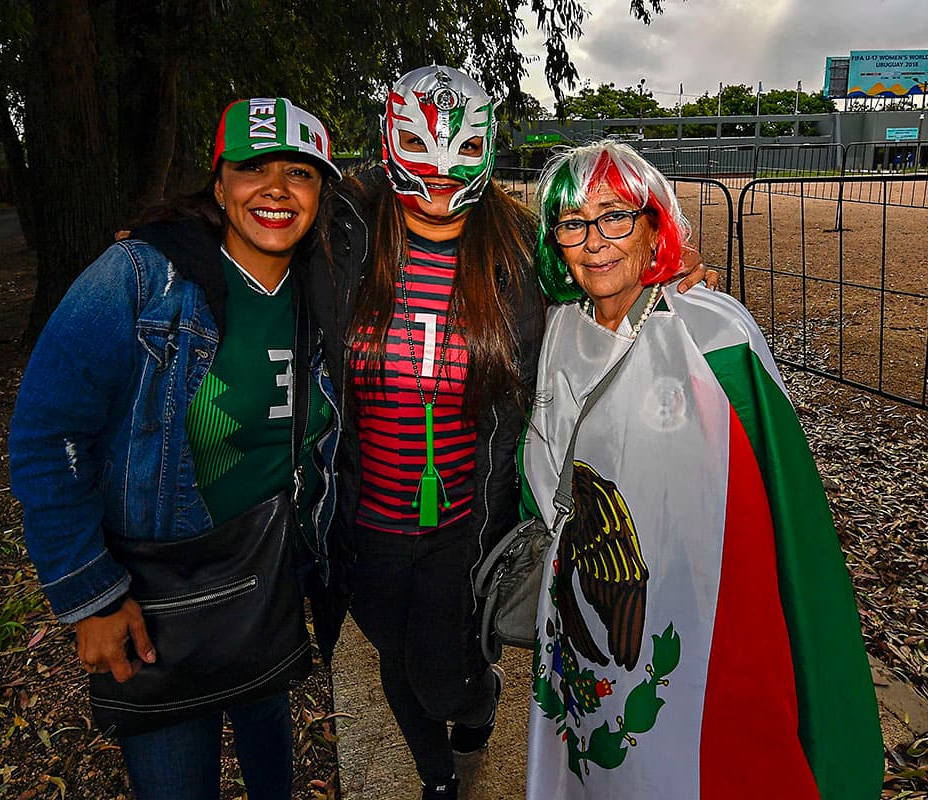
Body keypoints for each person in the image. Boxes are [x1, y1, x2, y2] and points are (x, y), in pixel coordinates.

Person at [303, 66, 716, 800]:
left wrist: (664, 292)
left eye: (457, 158)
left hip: (466, 515)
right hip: (366, 515)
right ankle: (435, 771)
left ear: (487, 151)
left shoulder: (522, 249)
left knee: (441, 669)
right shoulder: (345, 234)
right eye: (419, 156)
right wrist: (182, 236)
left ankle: (477, 699)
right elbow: (255, 224)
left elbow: (594, 298)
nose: (436, 181)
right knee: (391, 657)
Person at [521, 140, 883, 798]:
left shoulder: (713, 333)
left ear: (656, 223)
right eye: (573, 222)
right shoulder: (559, 332)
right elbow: (544, 468)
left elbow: (760, 509)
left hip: (698, 616)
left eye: (616, 216)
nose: (595, 240)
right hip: (591, 610)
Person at [9, 97, 342, 800]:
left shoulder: (321, 290)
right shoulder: (139, 278)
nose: (277, 188)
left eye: (301, 172)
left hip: (263, 584)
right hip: (161, 601)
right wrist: (90, 597)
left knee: (271, 773)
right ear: (218, 184)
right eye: (253, 168)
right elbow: (46, 434)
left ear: (322, 193)